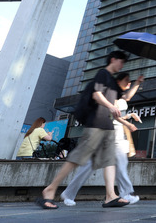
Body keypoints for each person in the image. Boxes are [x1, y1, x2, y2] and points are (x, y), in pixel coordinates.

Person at [37, 51, 130, 209]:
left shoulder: (113, 82)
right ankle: (50, 190)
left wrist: (138, 83)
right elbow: (96, 95)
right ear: (113, 59)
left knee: (109, 161)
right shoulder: (103, 73)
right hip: (96, 123)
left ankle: (110, 196)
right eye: (121, 62)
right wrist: (110, 106)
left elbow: (125, 98)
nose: (122, 65)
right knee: (77, 158)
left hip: (107, 126)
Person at [60, 72, 144, 206]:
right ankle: (70, 193)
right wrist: (128, 123)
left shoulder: (119, 95)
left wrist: (137, 83)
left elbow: (127, 97)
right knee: (93, 164)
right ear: (118, 82)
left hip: (114, 132)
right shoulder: (111, 94)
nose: (128, 84)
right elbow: (114, 115)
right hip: (107, 131)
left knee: (118, 161)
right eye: (126, 81)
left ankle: (124, 193)